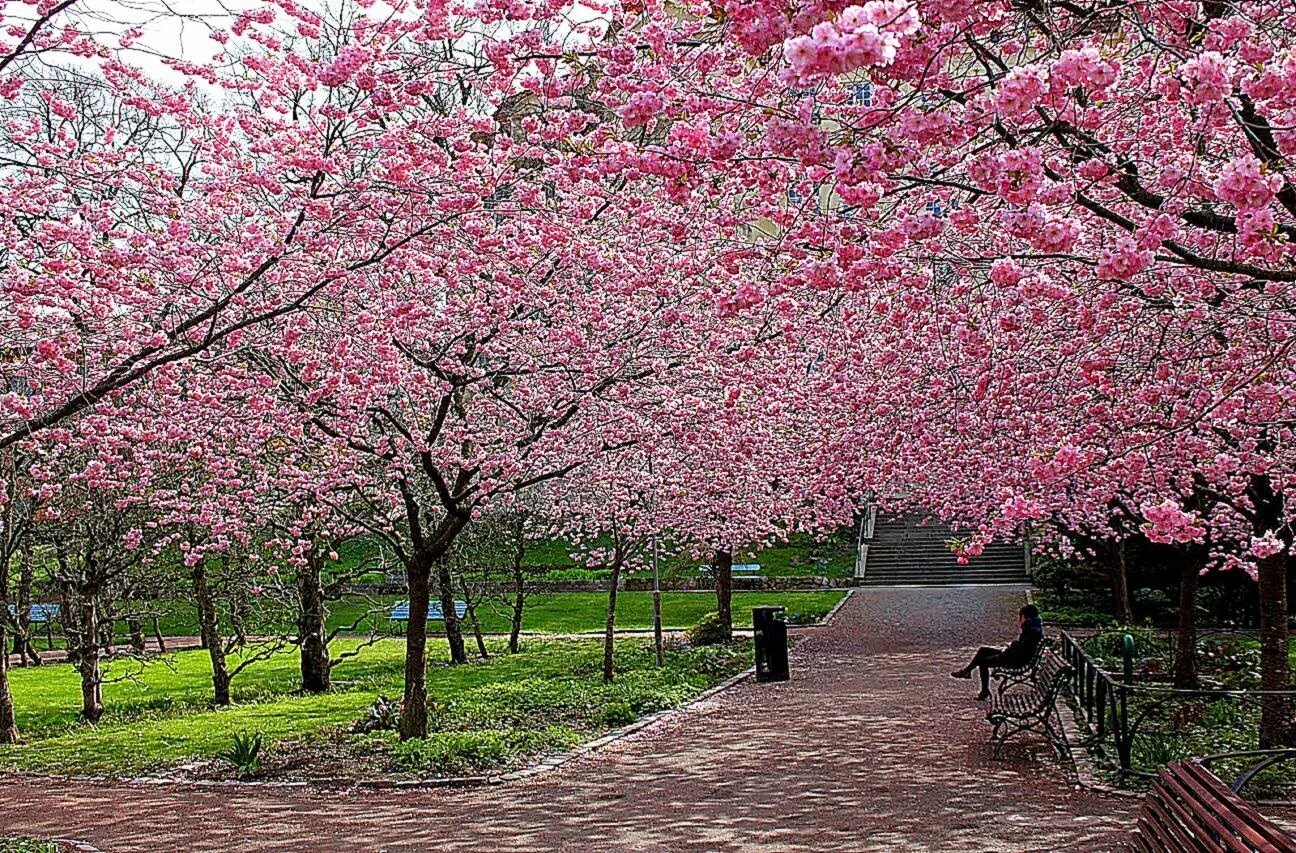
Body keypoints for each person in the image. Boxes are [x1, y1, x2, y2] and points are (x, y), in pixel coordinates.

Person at [950, 604, 1044, 700]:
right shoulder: (1033, 627)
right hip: (1015, 655)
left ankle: (984, 690)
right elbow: (1023, 646)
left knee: (983, 663)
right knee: (983, 650)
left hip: (1015, 659)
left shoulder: (1031, 629)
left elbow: (1022, 648)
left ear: (1025, 616)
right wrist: (1012, 646)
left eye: (1021, 616)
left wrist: (1011, 646)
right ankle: (967, 671)